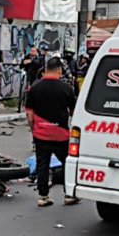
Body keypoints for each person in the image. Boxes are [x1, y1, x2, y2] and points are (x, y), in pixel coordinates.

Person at [25, 56, 79, 208]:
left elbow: (29, 114)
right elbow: (73, 112)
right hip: (61, 135)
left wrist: (33, 129)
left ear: (46, 69)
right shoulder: (66, 88)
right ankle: (69, 194)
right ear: (60, 70)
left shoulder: (34, 88)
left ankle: (43, 196)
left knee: (43, 165)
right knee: (67, 163)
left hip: (41, 134)